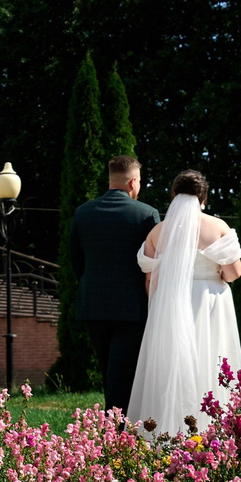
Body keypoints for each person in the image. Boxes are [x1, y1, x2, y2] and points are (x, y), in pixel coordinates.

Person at [124, 170, 241, 439]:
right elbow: (234, 273)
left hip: (169, 306)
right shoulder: (218, 227)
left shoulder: (157, 232)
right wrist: (213, 276)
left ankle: (164, 432)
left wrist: (161, 307)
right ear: (203, 197)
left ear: (174, 196)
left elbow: (150, 279)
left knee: (170, 368)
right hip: (211, 305)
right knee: (213, 360)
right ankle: (217, 434)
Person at [67, 155, 159, 412]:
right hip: (132, 308)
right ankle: (119, 432)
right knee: (125, 375)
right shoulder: (146, 214)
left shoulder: (83, 213)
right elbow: (154, 263)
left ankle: (114, 427)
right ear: (132, 182)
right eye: (139, 181)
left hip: (93, 305)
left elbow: (77, 261)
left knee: (109, 370)